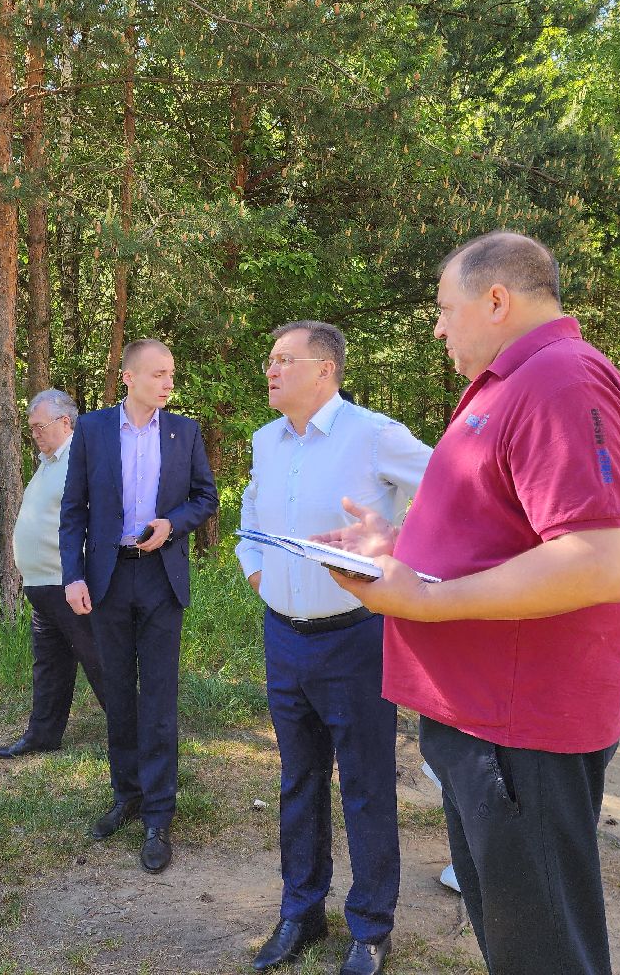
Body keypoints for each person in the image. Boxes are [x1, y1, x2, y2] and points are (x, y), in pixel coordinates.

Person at [319, 232, 620, 975]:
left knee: (542, 955)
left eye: (444, 308)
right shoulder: (508, 383)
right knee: (514, 941)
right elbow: (491, 522)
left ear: (496, 300)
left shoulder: (561, 380)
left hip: (519, 728)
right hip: (483, 721)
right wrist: (396, 545)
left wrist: (425, 601)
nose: (437, 327)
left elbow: (598, 561)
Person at [236, 321, 431, 975]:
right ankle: (301, 912)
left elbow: (447, 489)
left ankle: (371, 928)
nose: (270, 369)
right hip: (283, 637)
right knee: (298, 780)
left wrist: (397, 547)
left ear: (324, 370)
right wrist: (255, 568)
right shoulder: (265, 441)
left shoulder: (373, 434)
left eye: (283, 359)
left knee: (367, 786)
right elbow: (251, 515)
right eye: (269, 359)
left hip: (355, 637)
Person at [60, 338, 218, 873]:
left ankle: (158, 813)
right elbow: (73, 509)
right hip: (107, 578)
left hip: (159, 577)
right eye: (158, 374)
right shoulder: (93, 430)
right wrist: (72, 575)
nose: (168, 383)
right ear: (128, 378)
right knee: (118, 695)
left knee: (159, 696)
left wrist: (174, 525)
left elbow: (206, 497)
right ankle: (125, 795)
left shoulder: (184, 432)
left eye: (171, 373)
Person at [0, 389, 108, 758]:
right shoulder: (50, 462)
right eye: (31, 428)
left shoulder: (82, 457)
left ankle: (134, 731)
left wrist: (83, 576)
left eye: (39, 426)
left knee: (100, 662)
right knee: (50, 665)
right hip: (41, 587)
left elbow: (93, 522)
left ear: (65, 422)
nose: (35, 434)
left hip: (69, 583)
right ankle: (43, 733)